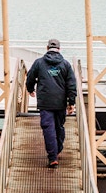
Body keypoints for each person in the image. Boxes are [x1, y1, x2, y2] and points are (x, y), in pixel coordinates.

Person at [26, 38, 76, 169]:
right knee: (59, 127)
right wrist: (72, 102)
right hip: (60, 102)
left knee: (48, 128)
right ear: (59, 49)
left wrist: (30, 89)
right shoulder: (65, 64)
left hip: (45, 102)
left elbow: (30, 77)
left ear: (47, 48)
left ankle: (53, 156)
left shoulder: (39, 63)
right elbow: (71, 84)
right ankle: (57, 150)